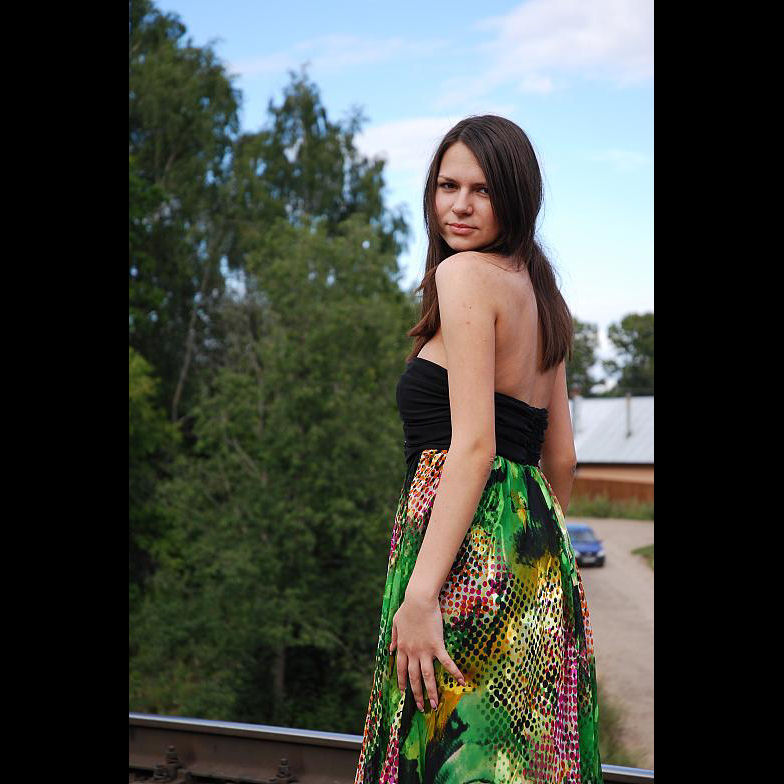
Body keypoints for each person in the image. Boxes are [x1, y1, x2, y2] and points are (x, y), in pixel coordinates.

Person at [353, 115, 603, 784]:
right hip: (534, 555)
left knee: (448, 750)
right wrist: (530, 564)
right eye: (448, 186)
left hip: (461, 556)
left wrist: (422, 592)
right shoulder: (544, 297)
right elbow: (561, 461)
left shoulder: (464, 274)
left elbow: (473, 447)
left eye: (482, 190)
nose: (459, 206)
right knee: (516, 757)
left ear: (516, 197)